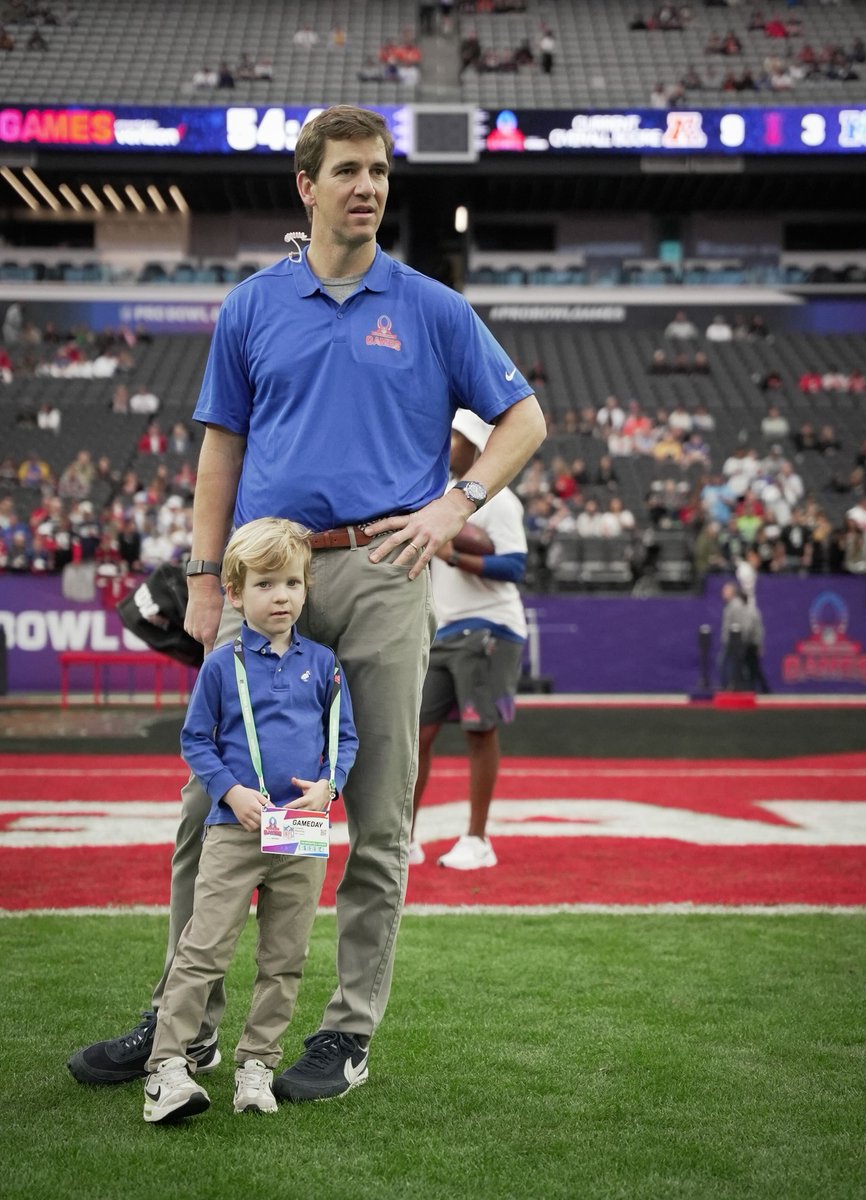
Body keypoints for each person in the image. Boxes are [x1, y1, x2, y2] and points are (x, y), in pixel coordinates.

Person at [67, 105, 546, 1103]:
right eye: (348, 172)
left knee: (376, 818)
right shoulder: (252, 306)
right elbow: (220, 451)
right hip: (264, 574)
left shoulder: (431, 307)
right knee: (214, 809)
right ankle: (182, 1026)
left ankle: (345, 1038)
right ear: (307, 186)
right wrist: (204, 583)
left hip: (382, 573)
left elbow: (525, 416)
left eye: (379, 172)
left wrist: (456, 501)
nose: (367, 187)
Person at [142, 518, 358, 1124]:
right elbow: (196, 740)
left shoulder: (325, 664)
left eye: (292, 582)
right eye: (266, 584)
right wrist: (230, 792)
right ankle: (167, 1068)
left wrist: (328, 785)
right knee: (203, 950)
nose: (282, 596)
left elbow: (344, 740)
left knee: (284, 959)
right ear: (236, 594)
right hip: (234, 831)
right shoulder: (221, 666)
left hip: (301, 834)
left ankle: (257, 1066)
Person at [409, 410, 528, 870]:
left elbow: (514, 567)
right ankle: (409, 837)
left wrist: (453, 554)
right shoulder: (439, 499)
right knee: (417, 735)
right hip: (444, 630)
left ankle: (478, 839)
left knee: (480, 731)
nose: (446, 445)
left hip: (488, 627)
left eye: (454, 438)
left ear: (476, 445)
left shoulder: (500, 500)